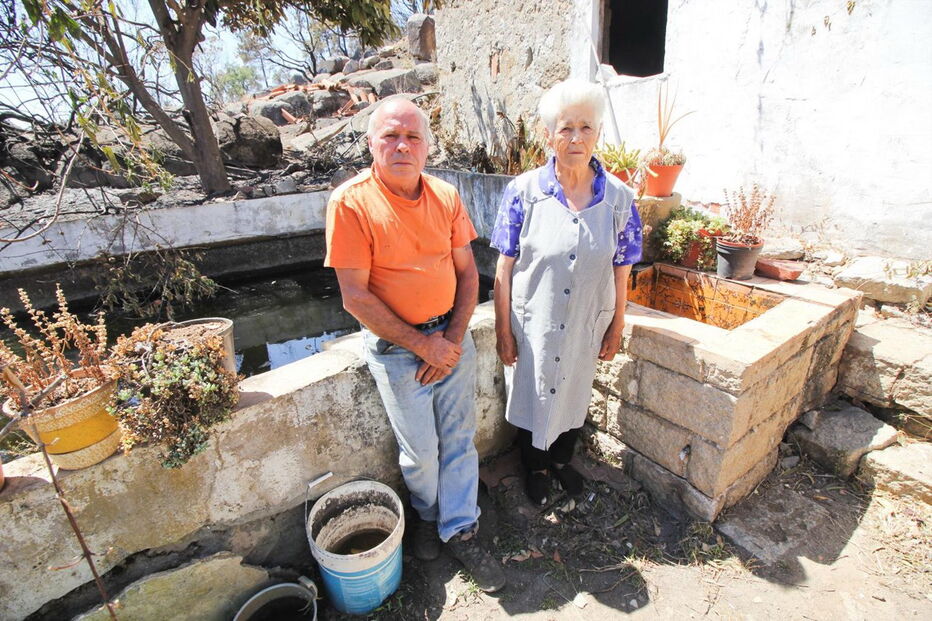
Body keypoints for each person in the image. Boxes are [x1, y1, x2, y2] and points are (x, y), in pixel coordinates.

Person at [324, 97, 506, 592]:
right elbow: (355, 297)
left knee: (459, 438)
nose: (401, 145)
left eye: (412, 136)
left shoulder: (445, 195)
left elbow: (469, 274)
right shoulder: (351, 202)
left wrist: (448, 339)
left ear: (427, 147)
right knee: (420, 453)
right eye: (390, 136)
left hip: (451, 336)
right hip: (398, 348)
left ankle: (461, 528)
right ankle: (427, 517)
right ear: (371, 144)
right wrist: (422, 346)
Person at [491, 79, 643, 505]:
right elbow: (503, 267)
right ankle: (535, 467)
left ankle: (561, 460)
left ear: (597, 134)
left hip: (587, 318)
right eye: (566, 128)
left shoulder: (620, 199)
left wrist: (617, 323)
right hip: (533, 320)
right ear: (548, 135)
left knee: (576, 388)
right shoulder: (522, 192)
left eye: (586, 128)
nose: (576, 138)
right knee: (533, 392)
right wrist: (503, 329)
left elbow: (622, 268)